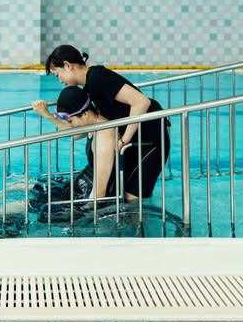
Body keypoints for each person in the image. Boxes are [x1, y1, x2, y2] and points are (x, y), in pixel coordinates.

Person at [36, 44, 170, 201]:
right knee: (123, 195)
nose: (59, 80)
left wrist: (124, 139)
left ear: (67, 65)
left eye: (57, 73)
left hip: (151, 139)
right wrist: (48, 115)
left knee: (132, 198)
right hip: (136, 139)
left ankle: (143, 225)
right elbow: (78, 133)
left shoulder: (97, 78)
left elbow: (141, 102)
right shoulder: (88, 87)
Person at [30, 86, 119, 212]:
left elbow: (99, 193)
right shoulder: (95, 122)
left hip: (86, 191)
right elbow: (75, 134)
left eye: (71, 121)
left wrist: (79, 212)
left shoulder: (104, 138)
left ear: (85, 113)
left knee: (29, 206)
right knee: (33, 186)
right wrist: (47, 115)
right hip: (82, 182)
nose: (71, 125)